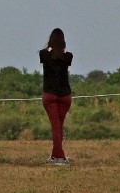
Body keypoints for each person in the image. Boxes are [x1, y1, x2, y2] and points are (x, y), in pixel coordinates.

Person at [40, 28, 73, 164]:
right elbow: (62, 58)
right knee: (59, 126)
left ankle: (59, 157)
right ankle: (56, 155)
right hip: (65, 96)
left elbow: (47, 55)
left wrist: (50, 48)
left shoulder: (44, 54)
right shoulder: (68, 56)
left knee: (55, 126)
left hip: (50, 95)